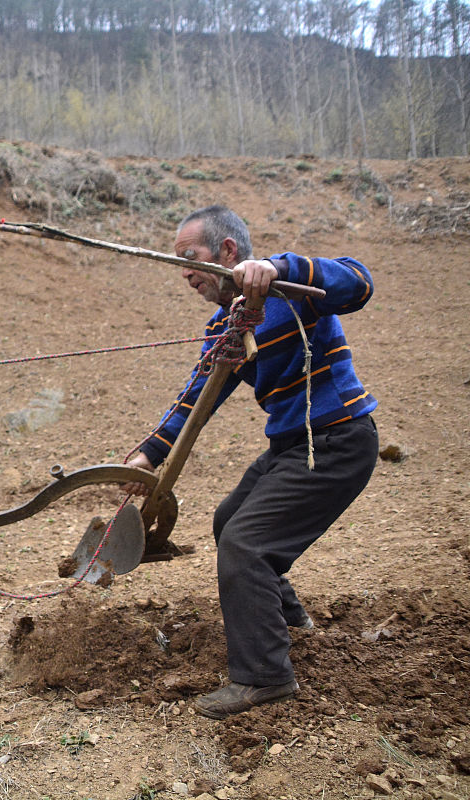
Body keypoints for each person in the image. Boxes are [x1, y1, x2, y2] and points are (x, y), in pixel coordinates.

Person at [121, 205, 378, 719]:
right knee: (228, 522)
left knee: (245, 544)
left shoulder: (292, 295)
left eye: (190, 258)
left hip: (337, 439)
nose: (186, 273)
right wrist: (148, 453)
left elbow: (359, 282)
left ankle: (264, 677)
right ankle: (289, 621)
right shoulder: (228, 324)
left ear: (228, 253)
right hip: (292, 446)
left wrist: (279, 269)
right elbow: (196, 398)